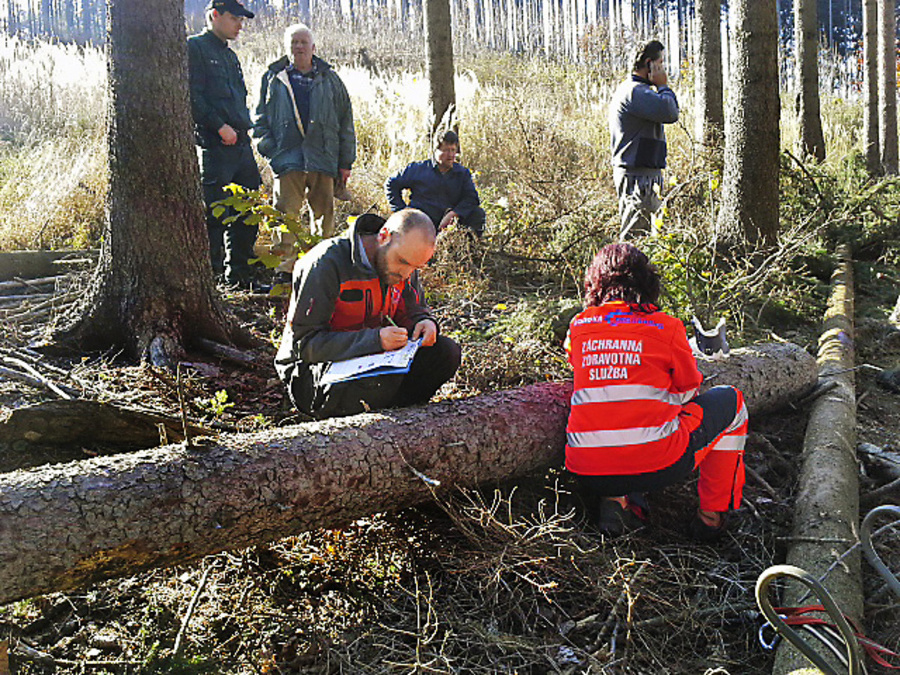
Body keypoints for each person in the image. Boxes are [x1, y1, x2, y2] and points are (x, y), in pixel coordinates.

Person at [565, 243, 748, 540]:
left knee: (613, 414)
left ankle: (617, 501)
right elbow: (690, 388)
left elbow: (576, 361)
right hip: (660, 464)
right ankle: (711, 517)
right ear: (647, 282)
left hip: (585, 468)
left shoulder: (578, 326)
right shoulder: (667, 327)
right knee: (734, 403)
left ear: (595, 284)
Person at [275, 209, 462, 419]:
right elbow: (305, 345)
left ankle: (400, 421)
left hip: (371, 361)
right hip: (312, 374)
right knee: (376, 381)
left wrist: (425, 322)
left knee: (445, 353)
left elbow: (414, 311)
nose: (406, 275)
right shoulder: (326, 263)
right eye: (403, 262)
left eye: (415, 267)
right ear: (383, 237)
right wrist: (375, 340)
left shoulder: (404, 263)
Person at [253, 23, 356, 276]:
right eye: (294, 43)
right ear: (287, 48)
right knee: (284, 218)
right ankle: (284, 274)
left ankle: (318, 271)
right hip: (288, 161)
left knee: (324, 220)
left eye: (303, 42)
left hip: (323, 159)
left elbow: (346, 122)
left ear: (313, 48)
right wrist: (273, 153)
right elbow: (259, 120)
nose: (298, 47)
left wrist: (345, 162)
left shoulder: (331, 80)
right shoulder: (272, 78)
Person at [188, 0, 263, 290]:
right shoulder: (195, 49)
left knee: (248, 211)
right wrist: (218, 126)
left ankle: (240, 278)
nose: (240, 24)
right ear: (214, 15)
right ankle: (214, 281)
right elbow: (193, 95)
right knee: (216, 214)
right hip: (215, 145)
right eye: (234, 18)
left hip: (241, 144)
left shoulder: (229, 56)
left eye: (242, 20)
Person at [608, 40, 679, 240]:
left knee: (647, 241)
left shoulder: (636, 90)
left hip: (642, 175)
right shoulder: (636, 92)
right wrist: (663, 86)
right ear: (650, 64)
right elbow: (670, 112)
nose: (663, 69)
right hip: (639, 179)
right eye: (661, 63)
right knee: (636, 242)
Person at [385, 130, 485, 237]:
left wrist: (454, 214)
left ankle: (467, 250)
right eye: (446, 150)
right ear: (435, 150)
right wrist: (401, 211)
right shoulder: (418, 169)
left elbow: (472, 198)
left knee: (477, 213)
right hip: (420, 224)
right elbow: (391, 183)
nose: (451, 155)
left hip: (449, 225)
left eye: (453, 150)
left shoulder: (462, 174)